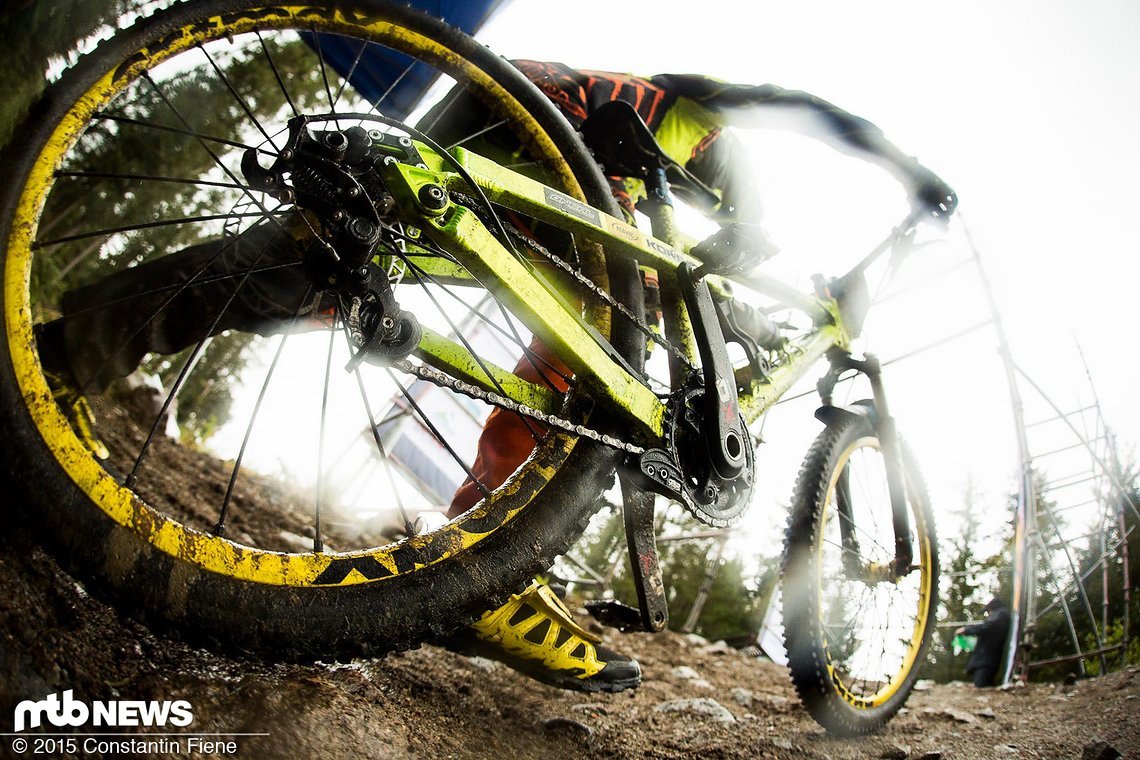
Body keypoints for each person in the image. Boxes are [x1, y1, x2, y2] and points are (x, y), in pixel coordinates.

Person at [37, 61, 955, 694]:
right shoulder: (710, 131)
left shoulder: (672, 168)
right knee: (603, 356)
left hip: (484, 109)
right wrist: (906, 169)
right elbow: (782, 123)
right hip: (571, 139)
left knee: (325, 261)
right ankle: (494, 573)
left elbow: (701, 275)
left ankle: (63, 356)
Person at [956, 597, 1012, 688]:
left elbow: (987, 627)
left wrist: (966, 630)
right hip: (984, 660)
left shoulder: (1001, 614)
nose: (988, 615)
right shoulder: (999, 616)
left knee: (982, 687)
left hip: (986, 661)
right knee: (984, 686)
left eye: (988, 611)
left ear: (991, 609)